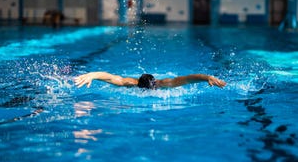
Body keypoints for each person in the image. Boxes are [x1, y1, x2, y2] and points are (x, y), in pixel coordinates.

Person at [74, 72, 226, 90]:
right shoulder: (131, 83)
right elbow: (112, 77)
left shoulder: (165, 83)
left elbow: (187, 79)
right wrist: (93, 75)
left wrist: (207, 77)